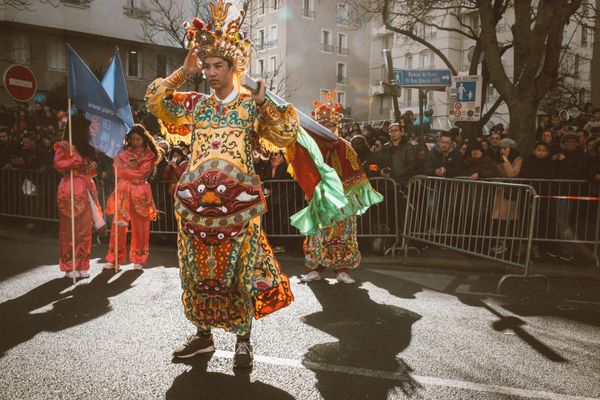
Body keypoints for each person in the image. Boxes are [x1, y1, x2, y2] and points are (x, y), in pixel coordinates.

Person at [144, 5, 362, 368]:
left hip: (239, 209)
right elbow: (156, 101)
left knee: (238, 273)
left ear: (234, 68)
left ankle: (243, 341)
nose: (211, 73)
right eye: (207, 66)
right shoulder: (197, 107)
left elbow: (285, 133)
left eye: (218, 66)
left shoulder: (250, 108)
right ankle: (202, 337)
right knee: (198, 274)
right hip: (196, 209)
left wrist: (264, 103)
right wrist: (184, 71)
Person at [301, 98, 382, 284]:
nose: (327, 129)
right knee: (317, 235)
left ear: (336, 126)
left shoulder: (345, 146)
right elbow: (305, 171)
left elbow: (355, 171)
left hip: (342, 199)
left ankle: (341, 270)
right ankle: (314, 268)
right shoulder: (311, 146)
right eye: (322, 125)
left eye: (330, 125)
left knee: (341, 235)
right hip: (319, 199)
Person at [53, 116, 105, 279]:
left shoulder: (87, 147)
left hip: (87, 189)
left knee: (84, 230)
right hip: (69, 189)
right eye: (86, 129)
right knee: (69, 231)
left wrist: (93, 166)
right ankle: (69, 265)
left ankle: (83, 264)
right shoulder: (63, 146)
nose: (89, 132)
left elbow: (89, 170)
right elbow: (58, 164)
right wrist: (75, 158)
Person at [103, 124, 161, 270]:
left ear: (144, 139)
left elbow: (141, 174)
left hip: (140, 194)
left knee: (141, 227)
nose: (135, 142)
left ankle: (139, 259)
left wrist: (122, 168)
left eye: (138, 139)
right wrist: (122, 168)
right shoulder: (124, 153)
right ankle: (113, 257)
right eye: (133, 139)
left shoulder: (149, 156)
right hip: (123, 193)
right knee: (118, 226)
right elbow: (118, 172)